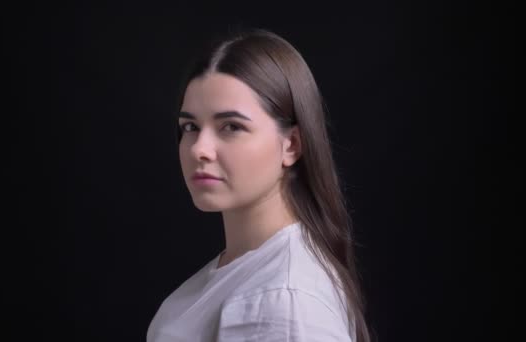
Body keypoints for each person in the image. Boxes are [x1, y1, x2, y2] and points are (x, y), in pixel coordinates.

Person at [147, 28, 371, 342]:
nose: (199, 148)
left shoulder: (285, 300)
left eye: (231, 126)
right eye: (190, 126)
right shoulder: (248, 275)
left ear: (291, 145)